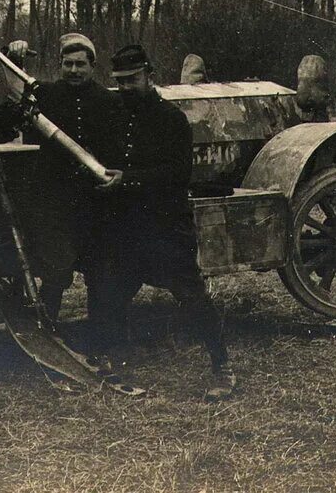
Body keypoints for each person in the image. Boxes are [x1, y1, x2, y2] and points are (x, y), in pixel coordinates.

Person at [93, 44, 236, 401]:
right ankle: (109, 358)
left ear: (150, 76)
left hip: (166, 225)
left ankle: (222, 367)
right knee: (109, 293)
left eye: (133, 80)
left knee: (192, 298)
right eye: (121, 81)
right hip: (129, 227)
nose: (126, 87)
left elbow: (176, 174)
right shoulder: (115, 116)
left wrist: (126, 179)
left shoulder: (171, 119)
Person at [19, 34, 121, 325]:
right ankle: (47, 326)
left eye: (80, 64)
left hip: (93, 200)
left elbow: (115, 149)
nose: (74, 70)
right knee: (56, 269)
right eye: (68, 64)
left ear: (92, 66)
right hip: (54, 199)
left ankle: (96, 333)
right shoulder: (45, 97)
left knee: (98, 270)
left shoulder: (108, 102)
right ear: (60, 65)